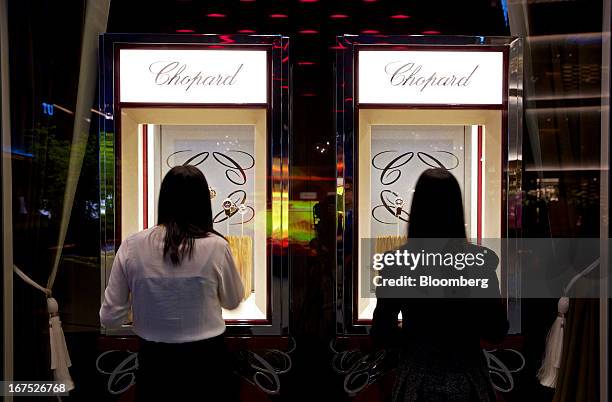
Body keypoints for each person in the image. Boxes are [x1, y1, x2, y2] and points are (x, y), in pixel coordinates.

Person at [100, 165, 244, 401]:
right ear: (203, 202)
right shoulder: (217, 246)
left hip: (155, 364)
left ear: (163, 200)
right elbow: (233, 299)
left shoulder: (132, 245)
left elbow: (110, 318)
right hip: (209, 363)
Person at [371, 168, 509, 402]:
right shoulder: (478, 262)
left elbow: (381, 333)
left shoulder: (397, 263)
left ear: (416, 210)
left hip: (417, 378)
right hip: (468, 377)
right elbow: (496, 330)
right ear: (457, 209)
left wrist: (414, 336)